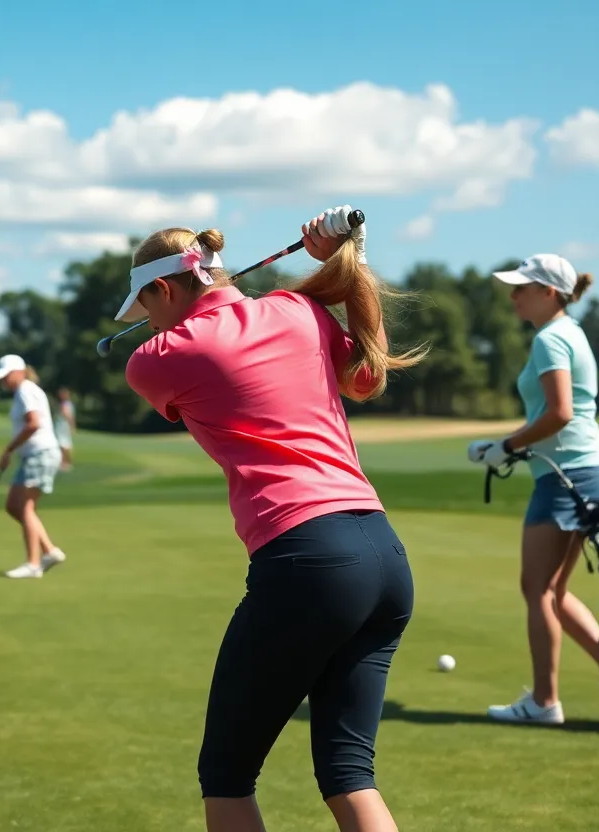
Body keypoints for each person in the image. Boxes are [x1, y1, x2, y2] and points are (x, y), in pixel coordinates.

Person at [117, 206, 427, 832]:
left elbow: (192, 352)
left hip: (306, 561)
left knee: (227, 775)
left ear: (164, 289)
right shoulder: (300, 311)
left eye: (145, 306)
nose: (146, 322)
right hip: (384, 554)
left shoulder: (156, 357)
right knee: (349, 772)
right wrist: (353, 264)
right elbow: (366, 379)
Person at [467, 254, 599, 726]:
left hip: (568, 476)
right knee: (554, 590)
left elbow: (560, 413)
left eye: (522, 288)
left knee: (537, 587)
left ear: (549, 293)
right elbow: (558, 414)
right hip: (587, 469)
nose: (514, 295)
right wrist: (510, 447)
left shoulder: (550, 339)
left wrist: (506, 446)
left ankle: (544, 702)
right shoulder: (569, 332)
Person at [0, 354, 67, 579]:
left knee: (24, 507)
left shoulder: (25, 390)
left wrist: (9, 449)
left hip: (40, 454)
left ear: (19, 372)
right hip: (33, 455)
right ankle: (49, 551)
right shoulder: (23, 391)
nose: (3, 381)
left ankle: (33, 564)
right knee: (14, 506)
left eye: (6, 375)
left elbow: (33, 424)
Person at [54, 387, 76, 471]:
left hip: (62, 426)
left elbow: (67, 414)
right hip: (65, 426)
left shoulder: (64, 404)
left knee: (62, 445)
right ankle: (69, 462)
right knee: (67, 444)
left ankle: (64, 462)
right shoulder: (70, 404)